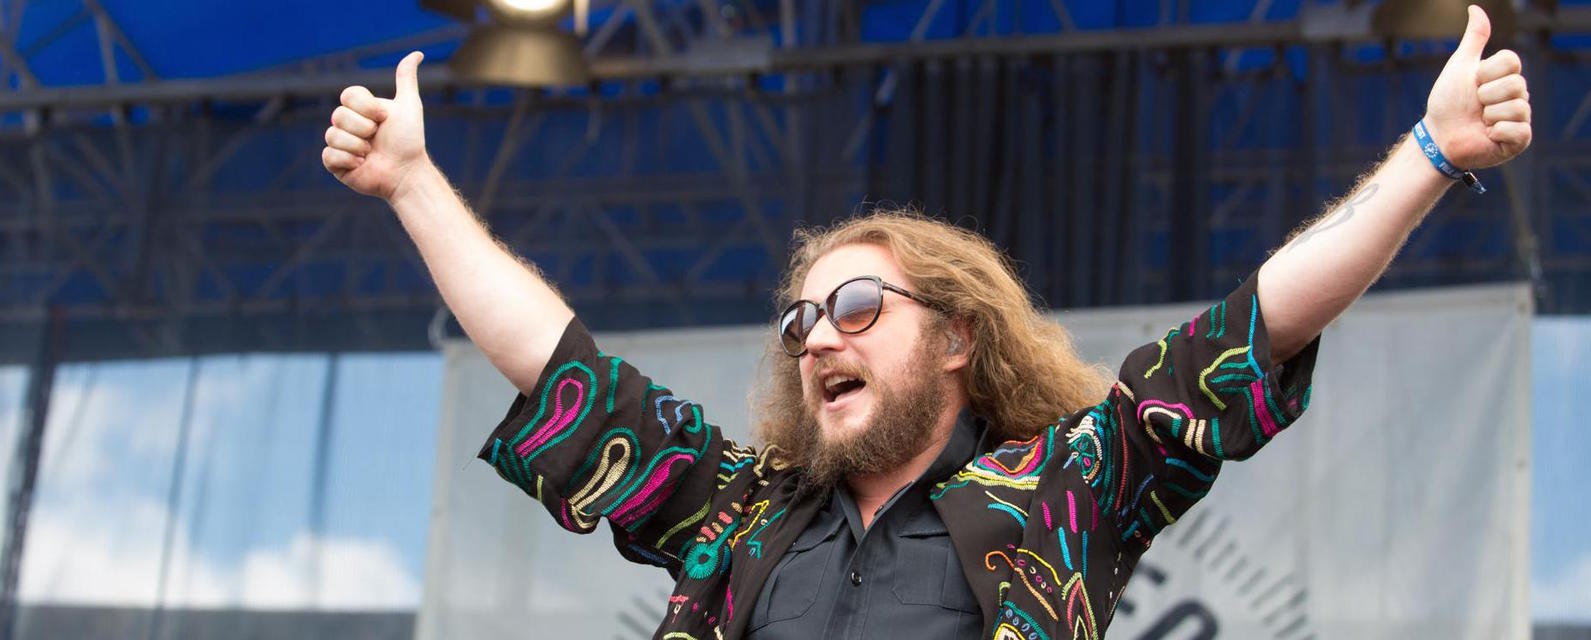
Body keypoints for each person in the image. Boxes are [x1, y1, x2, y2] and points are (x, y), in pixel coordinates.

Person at [321, 6, 1531, 638]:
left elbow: (1251, 331)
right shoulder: (738, 514)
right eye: (800, 320)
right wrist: (414, 186)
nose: (817, 337)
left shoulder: (1066, 488)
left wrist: (1428, 156)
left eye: (855, 306)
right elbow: (565, 372)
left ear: (957, 336)